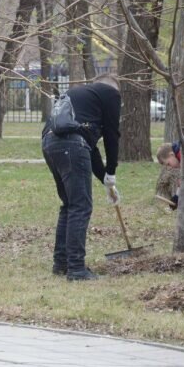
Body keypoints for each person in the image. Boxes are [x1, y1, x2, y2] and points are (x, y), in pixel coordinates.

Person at [42, 76, 121, 281]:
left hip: (50, 144)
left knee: (69, 205)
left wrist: (105, 179)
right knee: (80, 206)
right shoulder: (111, 93)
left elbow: (90, 149)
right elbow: (112, 135)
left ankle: (61, 264)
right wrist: (112, 171)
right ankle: (76, 269)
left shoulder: (81, 97)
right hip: (71, 146)